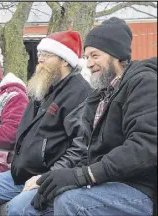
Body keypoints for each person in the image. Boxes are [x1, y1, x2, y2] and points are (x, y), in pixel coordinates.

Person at [30, 17, 157, 216]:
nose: (89, 63)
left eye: (95, 56)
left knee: (70, 202)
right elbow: (87, 151)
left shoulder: (144, 84)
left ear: (116, 55)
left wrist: (84, 175)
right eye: (87, 57)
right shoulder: (99, 96)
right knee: (26, 205)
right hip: (105, 182)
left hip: (140, 188)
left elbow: (145, 146)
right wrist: (57, 177)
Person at [0, 30, 92, 216]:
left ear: (64, 60)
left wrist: (48, 177)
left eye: (46, 56)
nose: (39, 60)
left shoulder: (78, 93)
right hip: (21, 174)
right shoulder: (42, 88)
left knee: (18, 208)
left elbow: (81, 148)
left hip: (50, 177)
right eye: (40, 55)